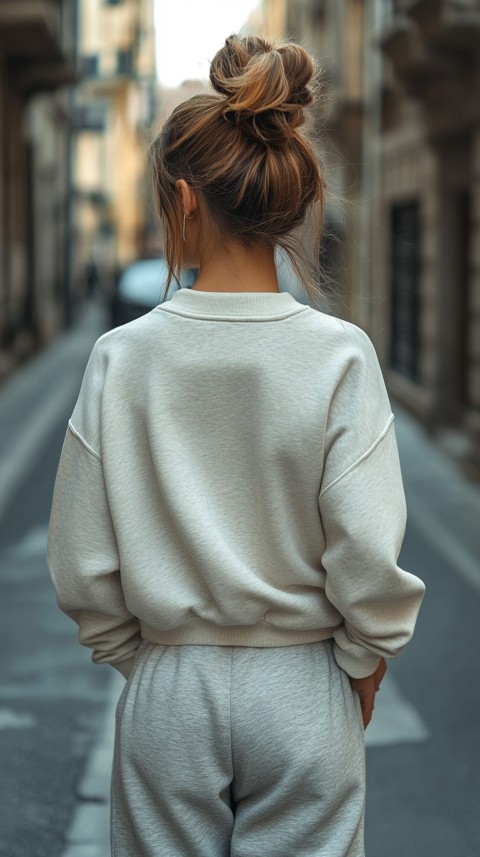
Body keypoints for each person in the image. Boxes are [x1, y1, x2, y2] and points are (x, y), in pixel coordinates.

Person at [47, 35, 425, 857]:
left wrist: (142, 664)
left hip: (169, 683)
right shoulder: (340, 355)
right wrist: (364, 659)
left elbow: (81, 558)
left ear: (181, 199)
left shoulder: (123, 356)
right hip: (302, 683)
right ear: (288, 198)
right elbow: (365, 547)